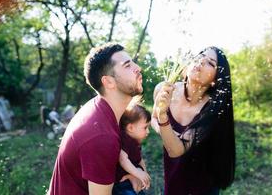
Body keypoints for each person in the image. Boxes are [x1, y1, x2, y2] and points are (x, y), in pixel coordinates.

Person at [48, 43, 144, 195]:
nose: (138, 68)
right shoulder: (101, 136)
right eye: (127, 65)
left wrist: (133, 173)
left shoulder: (102, 107)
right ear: (108, 82)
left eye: (133, 62)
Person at [152, 47, 235, 195]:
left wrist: (164, 117)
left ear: (216, 80)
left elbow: (176, 150)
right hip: (172, 178)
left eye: (210, 62)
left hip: (202, 187)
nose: (202, 61)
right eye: (201, 55)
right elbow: (153, 118)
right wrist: (163, 129)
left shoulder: (213, 109)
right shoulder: (164, 89)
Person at [113, 101, 151, 195]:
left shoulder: (134, 142)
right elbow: (122, 159)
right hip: (122, 183)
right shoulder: (125, 139)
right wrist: (138, 173)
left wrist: (144, 174)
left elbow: (139, 159)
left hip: (131, 180)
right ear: (130, 128)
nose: (148, 131)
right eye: (145, 127)